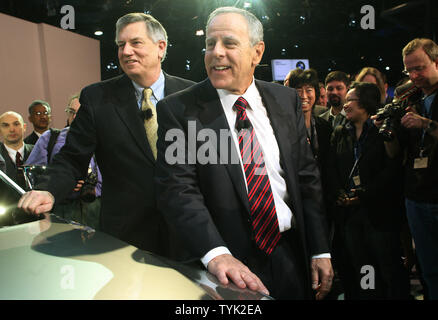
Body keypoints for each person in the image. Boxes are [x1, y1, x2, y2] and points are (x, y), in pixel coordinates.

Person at [155, 6, 333, 300]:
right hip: (225, 266)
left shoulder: (284, 99)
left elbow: (306, 179)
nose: (216, 52)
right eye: (210, 44)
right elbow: (177, 189)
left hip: (290, 254)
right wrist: (216, 255)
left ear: (257, 52)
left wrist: (320, 247)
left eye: (229, 43)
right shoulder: (179, 110)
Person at [18, 13, 195, 256]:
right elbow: (72, 157)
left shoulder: (191, 94)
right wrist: (49, 189)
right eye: (121, 45)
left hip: (188, 231)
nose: (126, 51)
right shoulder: (97, 97)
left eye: (136, 43)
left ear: (160, 48)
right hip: (126, 237)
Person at [327, 81, 410, 299]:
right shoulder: (339, 132)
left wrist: (364, 194)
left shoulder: (383, 132)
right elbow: (332, 167)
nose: (345, 105)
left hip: (379, 212)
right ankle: (371, 296)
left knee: (388, 266)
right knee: (364, 266)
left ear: (365, 104)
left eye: (350, 100)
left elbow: (391, 169)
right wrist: (340, 193)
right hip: (351, 214)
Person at [373, 38, 438, 299]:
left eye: (420, 68)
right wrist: (387, 133)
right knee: (429, 271)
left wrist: (426, 124)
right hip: (416, 196)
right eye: (408, 70)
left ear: (436, 62)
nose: (414, 76)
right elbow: (395, 154)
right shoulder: (410, 97)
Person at [25, 94, 102, 230]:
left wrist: (93, 188)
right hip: (61, 209)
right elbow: (33, 174)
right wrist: (62, 184)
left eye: (81, 112)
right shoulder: (50, 138)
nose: (75, 117)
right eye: (72, 112)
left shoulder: (104, 139)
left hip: (96, 209)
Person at [0, 111, 34, 189]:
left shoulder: (38, 152)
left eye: (16, 124)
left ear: (24, 127)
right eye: (5, 125)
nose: (12, 129)